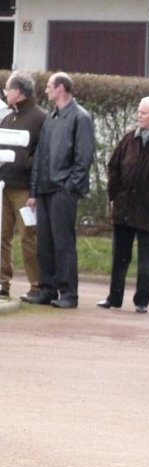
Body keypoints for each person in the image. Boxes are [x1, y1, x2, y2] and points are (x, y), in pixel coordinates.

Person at [97, 96, 149, 313]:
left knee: (147, 259)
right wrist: (116, 195)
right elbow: (113, 166)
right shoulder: (128, 139)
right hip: (125, 209)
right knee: (120, 257)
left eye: (143, 112)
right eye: (139, 111)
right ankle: (113, 298)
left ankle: (141, 301)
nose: (139, 115)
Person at [26, 72, 95, 308]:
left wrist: (69, 186)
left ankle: (69, 293)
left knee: (63, 242)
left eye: (49, 86)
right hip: (45, 189)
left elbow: (84, 157)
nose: (46, 90)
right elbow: (40, 157)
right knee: (44, 242)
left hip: (62, 189)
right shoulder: (51, 117)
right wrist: (33, 192)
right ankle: (47, 289)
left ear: (61, 88)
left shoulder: (80, 117)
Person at [0, 71, 46, 300]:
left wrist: (35, 190)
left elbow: (41, 156)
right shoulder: (8, 118)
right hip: (4, 185)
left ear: (18, 92)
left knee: (28, 236)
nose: (5, 93)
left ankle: (36, 284)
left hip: (25, 189)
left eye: (8, 89)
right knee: (2, 235)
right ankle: (2, 282)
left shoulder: (40, 118)